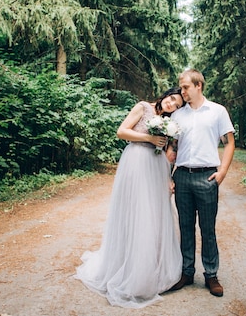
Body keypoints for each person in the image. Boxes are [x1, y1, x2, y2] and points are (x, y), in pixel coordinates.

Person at [74, 88, 184, 308]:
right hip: (135, 161)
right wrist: (149, 138)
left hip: (156, 167)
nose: (172, 105)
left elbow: (166, 152)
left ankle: (149, 266)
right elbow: (122, 131)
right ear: (165, 96)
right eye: (172, 99)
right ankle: (127, 265)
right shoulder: (143, 107)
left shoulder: (167, 122)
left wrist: (168, 177)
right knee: (136, 211)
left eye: (178, 105)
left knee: (153, 214)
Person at [168, 69, 235, 297]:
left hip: (207, 177)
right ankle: (187, 272)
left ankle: (211, 274)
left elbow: (229, 143)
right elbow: (172, 149)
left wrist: (222, 172)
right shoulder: (178, 116)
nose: (182, 91)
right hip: (182, 177)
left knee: (208, 229)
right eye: (181, 87)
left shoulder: (217, 112)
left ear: (198, 86)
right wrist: (169, 176)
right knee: (185, 228)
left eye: (186, 87)